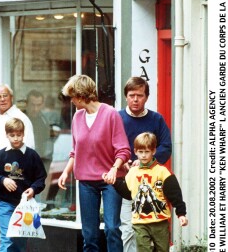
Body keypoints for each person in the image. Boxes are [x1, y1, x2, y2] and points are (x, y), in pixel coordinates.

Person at [57, 74, 131, 252]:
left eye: (73, 96)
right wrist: (66, 172)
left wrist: (114, 169)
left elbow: (123, 150)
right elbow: (76, 150)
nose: (72, 100)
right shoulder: (77, 118)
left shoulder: (110, 114)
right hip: (86, 182)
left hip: (111, 181)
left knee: (112, 228)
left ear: (82, 95)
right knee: (89, 234)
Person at [119, 76, 172, 252]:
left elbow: (166, 146)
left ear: (146, 97)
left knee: (156, 233)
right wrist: (122, 162)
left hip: (153, 186)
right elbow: (107, 145)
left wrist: (145, 162)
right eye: (132, 95)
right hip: (125, 183)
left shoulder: (156, 119)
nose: (135, 99)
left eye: (140, 95)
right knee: (127, 230)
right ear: (126, 96)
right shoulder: (117, 118)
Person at [111, 132, 188, 252]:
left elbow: (175, 194)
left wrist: (181, 213)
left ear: (153, 151)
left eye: (147, 152)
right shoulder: (132, 172)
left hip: (160, 222)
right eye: (140, 152)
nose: (143, 155)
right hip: (139, 222)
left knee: (162, 249)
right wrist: (114, 182)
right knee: (143, 249)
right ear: (135, 151)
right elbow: (128, 193)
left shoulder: (163, 172)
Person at [0, 83, 35, 244]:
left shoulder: (21, 118)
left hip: (17, 183)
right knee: (1, 227)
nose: (2, 99)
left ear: (11, 97)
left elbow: (29, 150)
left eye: (5, 95)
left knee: (20, 228)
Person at [0, 118, 47, 252]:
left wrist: (33, 189)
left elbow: (41, 178)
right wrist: (3, 180)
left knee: (19, 239)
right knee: (7, 238)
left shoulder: (32, 155)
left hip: (25, 205)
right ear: (7, 135)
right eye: (12, 135)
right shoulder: (1, 155)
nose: (16, 138)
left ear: (23, 134)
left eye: (19, 135)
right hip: (5, 204)